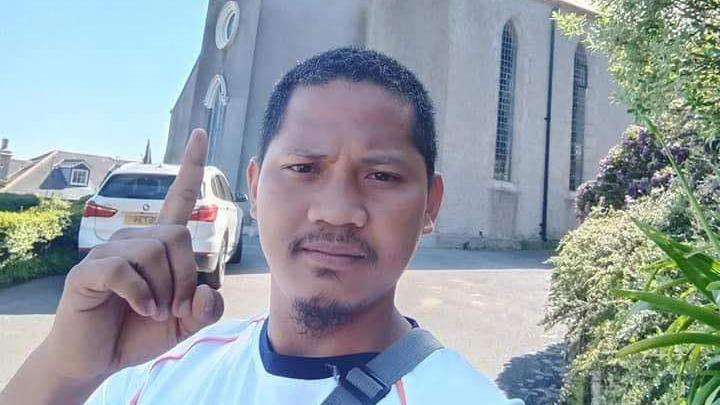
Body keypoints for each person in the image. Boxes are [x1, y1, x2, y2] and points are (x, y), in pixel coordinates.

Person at [1, 47, 522, 404]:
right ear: (253, 187)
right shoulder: (156, 373)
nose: (337, 209)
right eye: (302, 168)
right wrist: (64, 373)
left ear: (431, 204)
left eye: (382, 175)